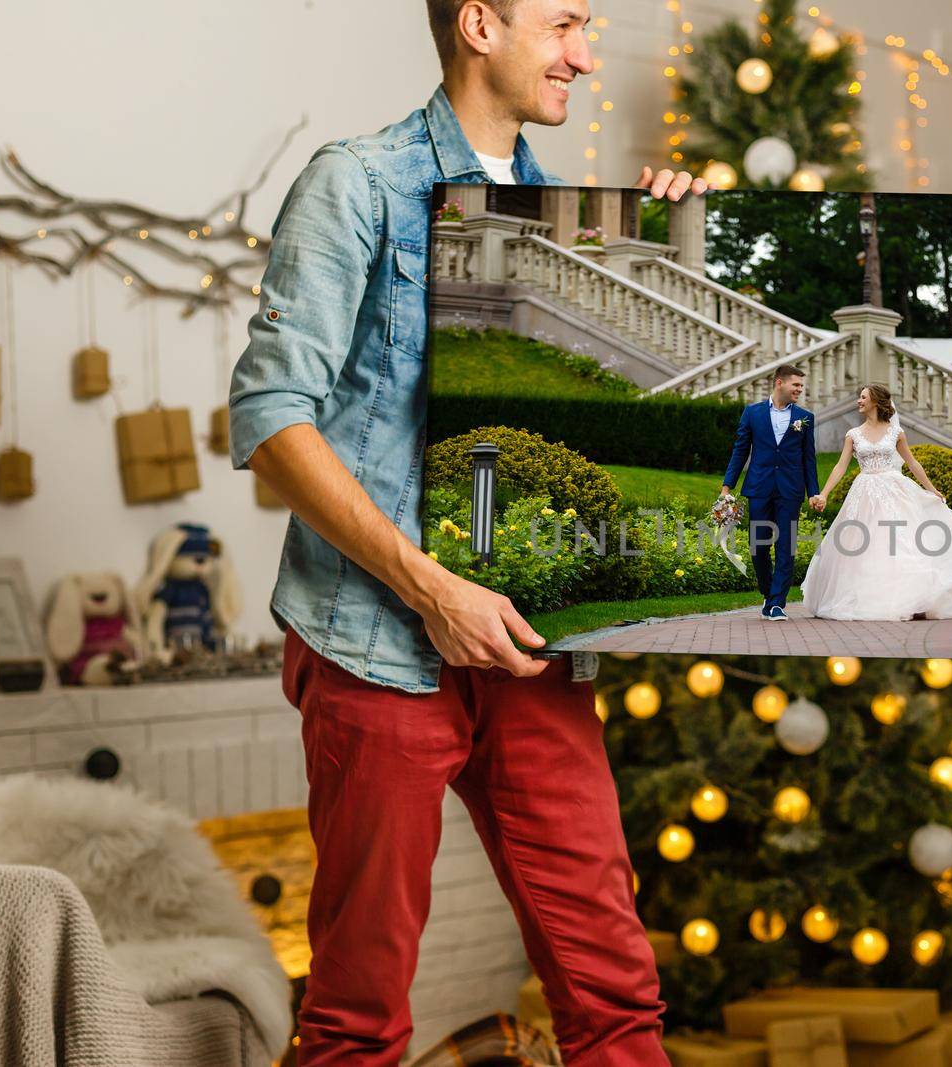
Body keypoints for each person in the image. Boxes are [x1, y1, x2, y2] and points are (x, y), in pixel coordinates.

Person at [228, 1, 706, 1063]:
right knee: (356, 1014)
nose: (586, 54)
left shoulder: (577, 209)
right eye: (565, 22)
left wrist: (680, 227)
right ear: (480, 23)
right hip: (375, 642)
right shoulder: (355, 182)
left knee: (617, 996)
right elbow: (269, 417)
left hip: (535, 652)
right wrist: (431, 586)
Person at [799, 384, 952, 620]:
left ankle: (913, 599)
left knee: (901, 542)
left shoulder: (896, 432)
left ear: (876, 402)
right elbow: (841, 466)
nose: (858, 401)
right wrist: (824, 493)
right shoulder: (853, 434)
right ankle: (867, 597)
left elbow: (912, 463)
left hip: (894, 490)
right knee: (863, 544)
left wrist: (931, 489)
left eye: (863, 397)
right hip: (864, 492)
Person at [719, 364, 819, 621]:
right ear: (779, 383)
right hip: (759, 487)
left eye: (801, 385)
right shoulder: (752, 413)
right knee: (758, 545)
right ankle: (767, 592)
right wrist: (727, 486)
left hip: (790, 489)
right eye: (795, 384)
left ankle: (777, 603)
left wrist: (813, 492)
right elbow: (740, 450)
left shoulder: (805, 417)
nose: (799, 389)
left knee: (786, 545)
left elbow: (809, 459)